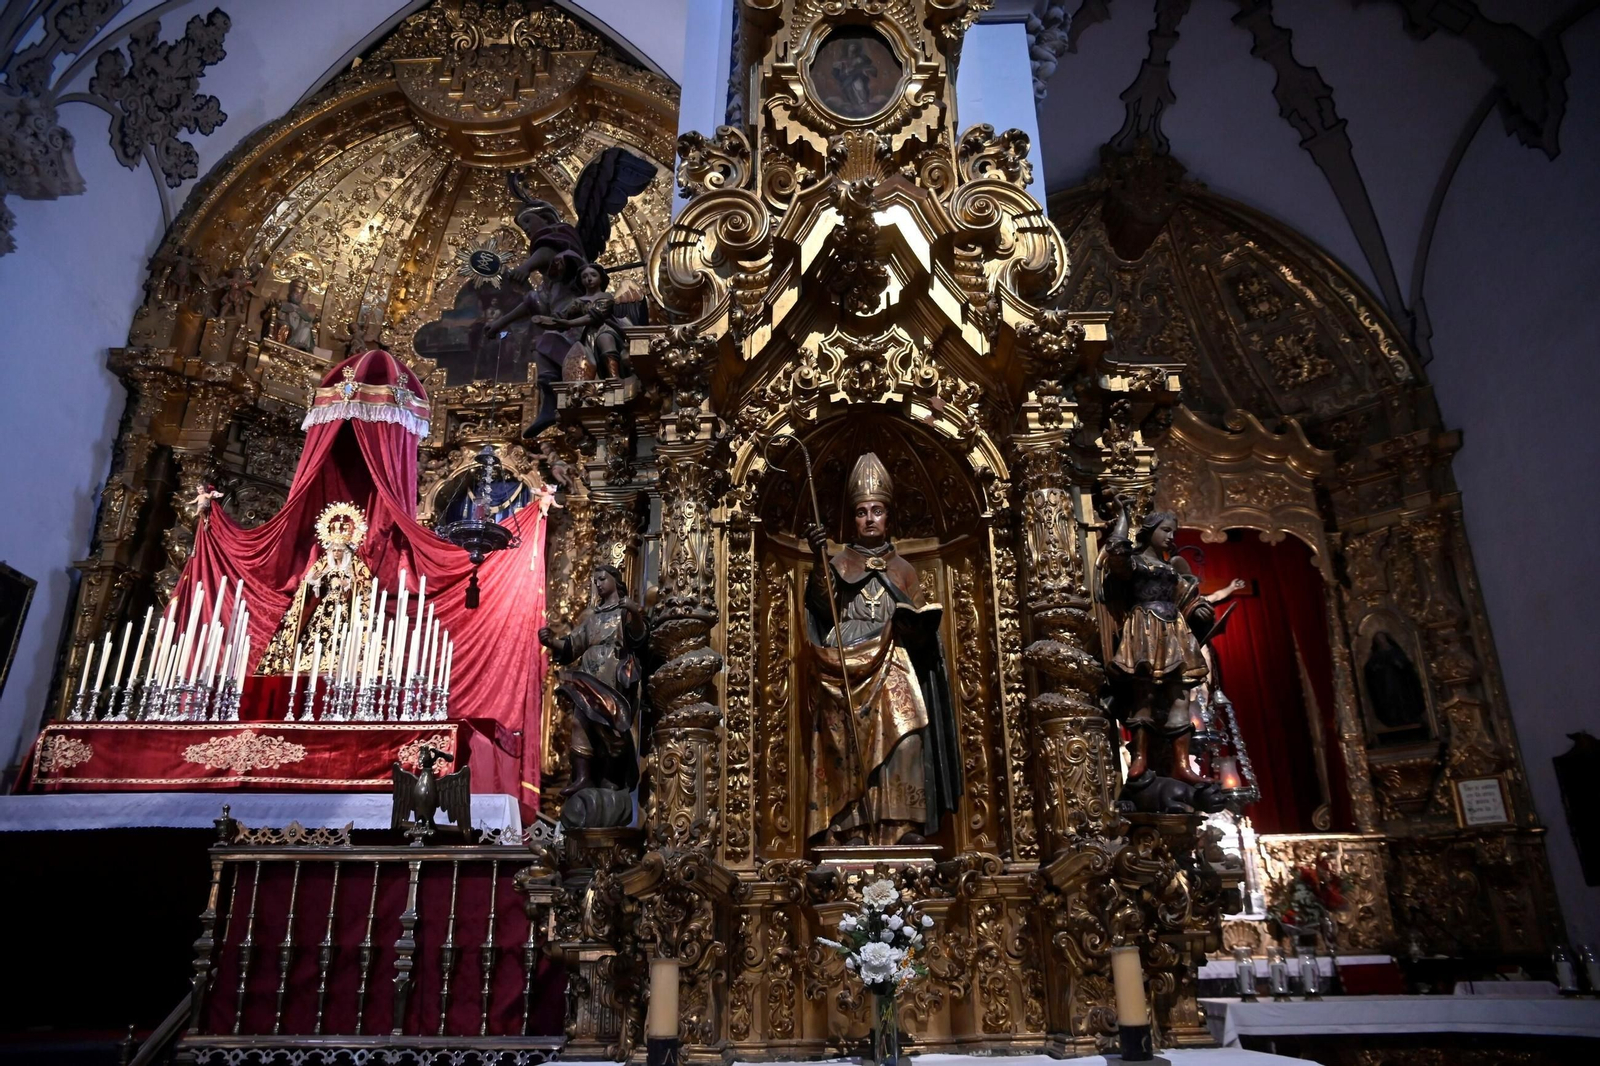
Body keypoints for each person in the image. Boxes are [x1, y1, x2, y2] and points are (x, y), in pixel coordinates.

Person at [801, 452, 962, 846]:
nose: (870, 518)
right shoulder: (838, 562)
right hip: (848, 663)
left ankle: (902, 826)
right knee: (851, 745)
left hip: (895, 660)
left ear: (889, 516)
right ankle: (852, 825)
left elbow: (921, 618)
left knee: (907, 739)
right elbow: (823, 609)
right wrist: (820, 560)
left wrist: (918, 628)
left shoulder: (904, 569)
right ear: (852, 519)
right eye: (861, 512)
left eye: (877, 510)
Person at [1098, 500, 1240, 784]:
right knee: (1144, 695)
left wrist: (1198, 609)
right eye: (1165, 530)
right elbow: (1115, 551)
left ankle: (1182, 764)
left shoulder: (1173, 567)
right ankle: (1139, 758)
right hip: (1145, 629)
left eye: (1173, 531)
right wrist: (1124, 518)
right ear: (1149, 531)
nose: (1171, 536)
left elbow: (1187, 598)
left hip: (1174, 631)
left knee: (1180, 697)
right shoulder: (1135, 563)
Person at [538, 564, 645, 797]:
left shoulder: (624, 611)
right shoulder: (593, 617)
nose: (597, 584)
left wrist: (635, 613)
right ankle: (583, 777)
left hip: (612, 676)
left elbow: (638, 639)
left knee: (609, 731)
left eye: (602, 579)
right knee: (579, 722)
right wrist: (551, 642)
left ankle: (612, 776)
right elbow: (573, 644)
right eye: (595, 580)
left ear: (615, 581)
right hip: (588, 675)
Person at [260, 502, 376, 675]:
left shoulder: (355, 566)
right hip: (324, 608)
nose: (336, 553)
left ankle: (342, 659)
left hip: (345, 608)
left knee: (341, 635)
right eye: (334, 550)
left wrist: (350, 585)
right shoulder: (323, 565)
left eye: (339, 550)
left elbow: (365, 587)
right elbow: (308, 585)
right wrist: (315, 583)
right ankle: (312, 659)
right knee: (317, 633)